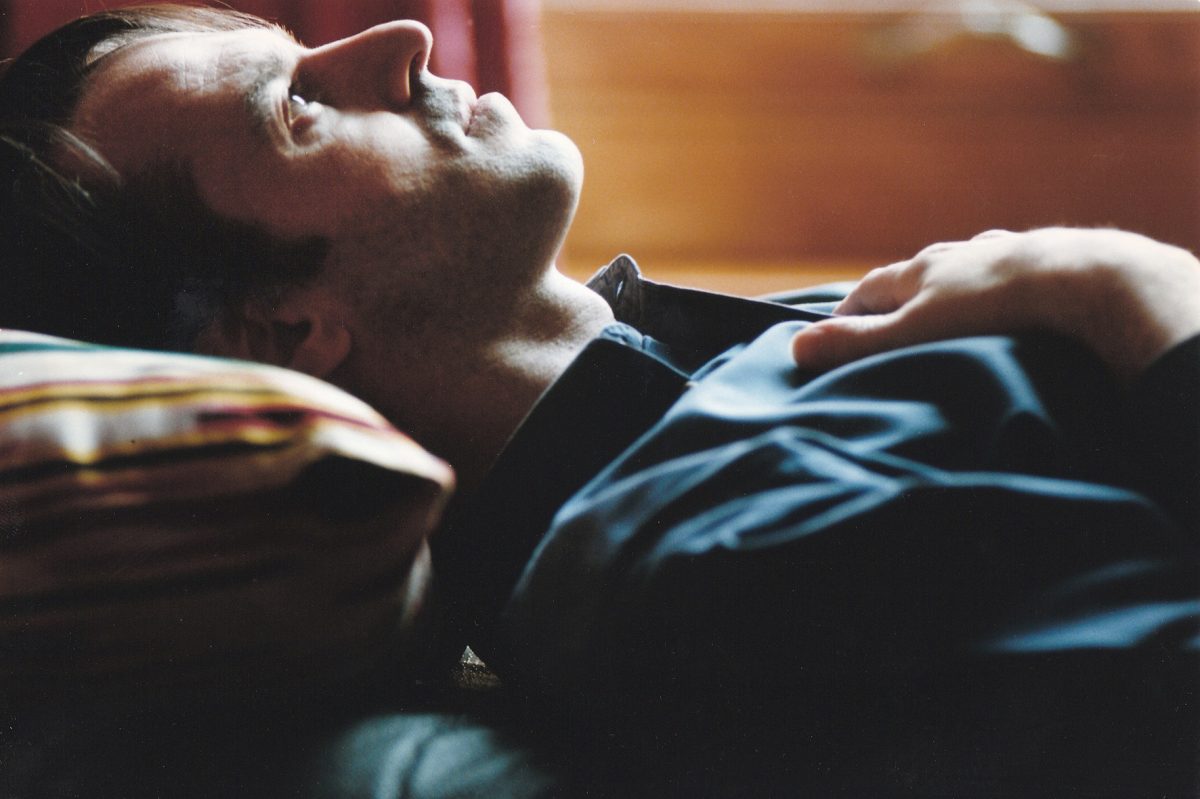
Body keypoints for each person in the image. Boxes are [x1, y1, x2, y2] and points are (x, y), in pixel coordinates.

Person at [0, 5, 1195, 793]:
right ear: (281, 331)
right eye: (296, 109)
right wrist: (1138, 298)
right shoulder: (718, 557)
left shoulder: (751, 355)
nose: (399, 39)